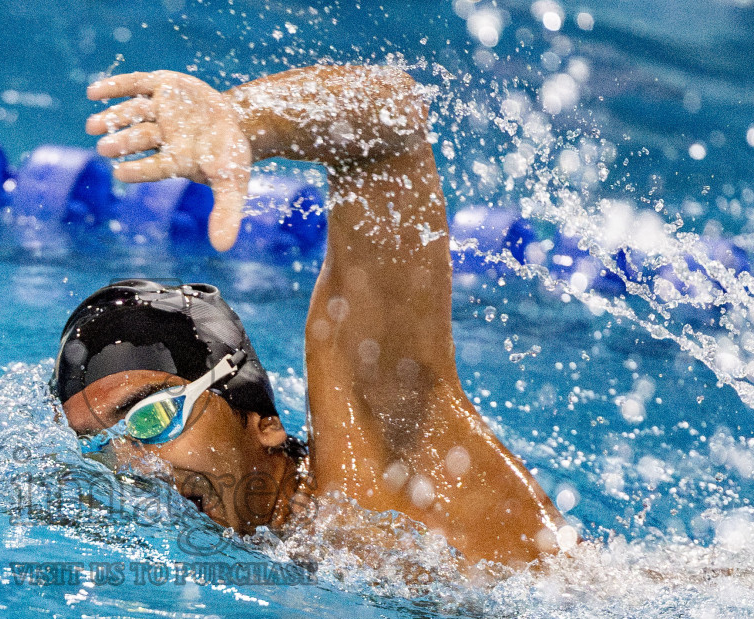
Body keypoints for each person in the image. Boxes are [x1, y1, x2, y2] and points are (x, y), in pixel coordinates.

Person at [54, 65, 566, 568]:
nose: (131, 467)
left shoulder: (377, 458)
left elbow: (393, 123)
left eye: (152, 418)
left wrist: (241, 118)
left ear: (264, 423)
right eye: (99, 449)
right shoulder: (258, 548)